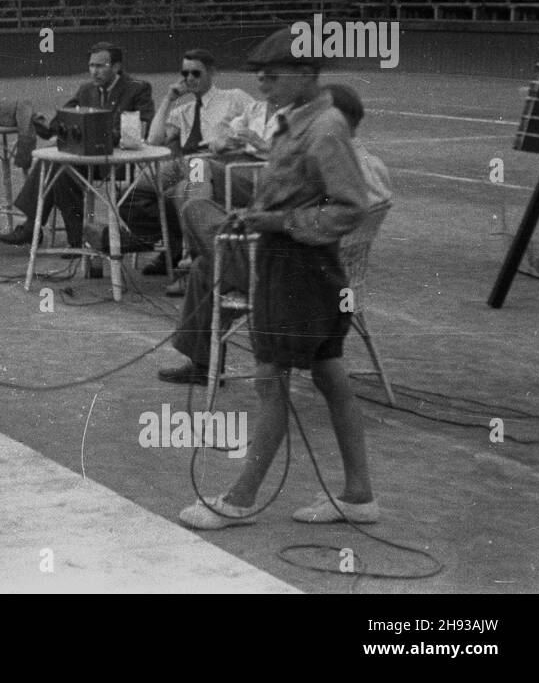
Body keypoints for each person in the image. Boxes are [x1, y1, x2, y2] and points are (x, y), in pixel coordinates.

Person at [174, 31, 377, 530]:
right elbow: (295, 193)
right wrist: (259, 214)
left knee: (271, 382)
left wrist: (282, 224)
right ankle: (358, 495)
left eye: (276, 71)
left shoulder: (326, 127)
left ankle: (241, 499)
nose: (263, 79)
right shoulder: (295, 121)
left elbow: (352, 205)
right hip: (297, 264)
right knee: (329, 375)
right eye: (259, 72)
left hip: (300, 269)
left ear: (308, 74)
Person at [159, 79, 391, 386]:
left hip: (291, 271)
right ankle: (202, 358)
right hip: (338, 271)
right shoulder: (368, 163)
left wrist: (270, 220)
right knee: (207, 262)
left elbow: (312, 218)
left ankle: (203, 355)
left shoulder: (335, 163)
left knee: (195, 210)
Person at [0, 43, 153, 248]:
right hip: (85, 158)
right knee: (56, 166)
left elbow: (144, 125)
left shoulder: (137, 88)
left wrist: (97, 136)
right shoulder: (86, 89)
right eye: (91, 65)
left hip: (118, 160)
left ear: (116, 67)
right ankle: (71, 238)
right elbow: (62, 118)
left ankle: (39, 230)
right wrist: (41, 125)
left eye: (100, 66)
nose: (94, 71)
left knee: (59, 168)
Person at [137, 49, 254, 275]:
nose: (190, 78)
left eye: (196, 73)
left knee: (188, 178)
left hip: (220, 169)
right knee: (158, 189)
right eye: (185, 73)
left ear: (212, 73)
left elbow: (260, 122)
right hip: (190, 172)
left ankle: (191, 256)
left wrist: (231, 139)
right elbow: (153, 140)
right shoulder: (184, 111)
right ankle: (188, 254)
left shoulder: (234, 98)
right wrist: (168, 99)